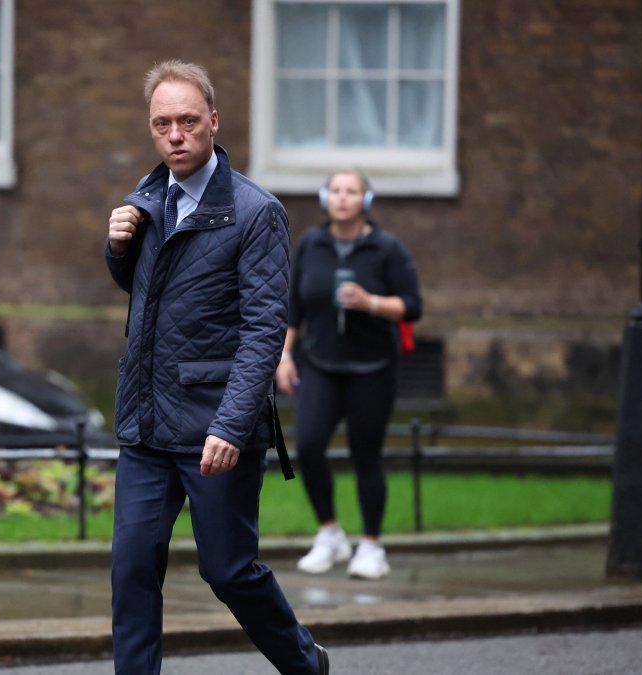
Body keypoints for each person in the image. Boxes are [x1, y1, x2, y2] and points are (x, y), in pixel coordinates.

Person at [105, 59, 328, 675]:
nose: (175, 135)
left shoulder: (258, 213)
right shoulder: (148, 200)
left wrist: (231, 426)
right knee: (131, 567)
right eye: (162, 124)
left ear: (213, 123)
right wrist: (119, 249)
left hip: (213, 429)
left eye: (187, 122)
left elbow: (263, 329)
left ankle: (307, 663)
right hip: (147, 425)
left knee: (228, 570)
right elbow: (151, 293)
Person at [275, 170, 422, 580]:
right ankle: (330, 533)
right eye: (336, 191)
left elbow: (412, 305)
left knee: (365, 454)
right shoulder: (311, 244)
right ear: (325, 197)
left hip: (372, 367)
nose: (342, 198)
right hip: (319, 363)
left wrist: (370, 302)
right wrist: (284, 356)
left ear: (366, 200)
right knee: (308, 444)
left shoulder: (386, 248)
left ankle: (371, 545)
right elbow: (293, 309)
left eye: (351, 191)